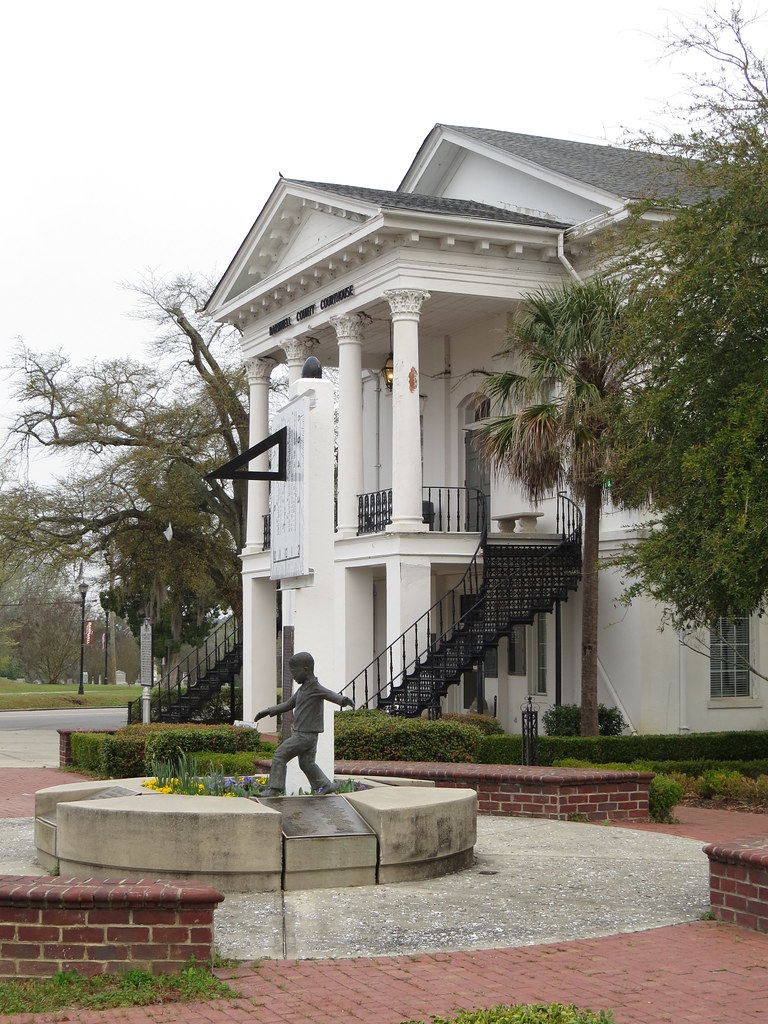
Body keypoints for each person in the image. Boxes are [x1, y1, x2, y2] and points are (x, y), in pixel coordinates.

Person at [254, 651, 354, 796]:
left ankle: (274, 789)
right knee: (307, 763)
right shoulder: (303, 689)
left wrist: (344, 700)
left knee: (280, 755)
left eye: (294, 671)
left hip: (304, 735)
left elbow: (330, 694)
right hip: (308, 735)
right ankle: (325, 785)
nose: (292, 676)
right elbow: (288, 704)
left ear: (305, 670)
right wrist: (268, 711)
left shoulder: (315, 688)